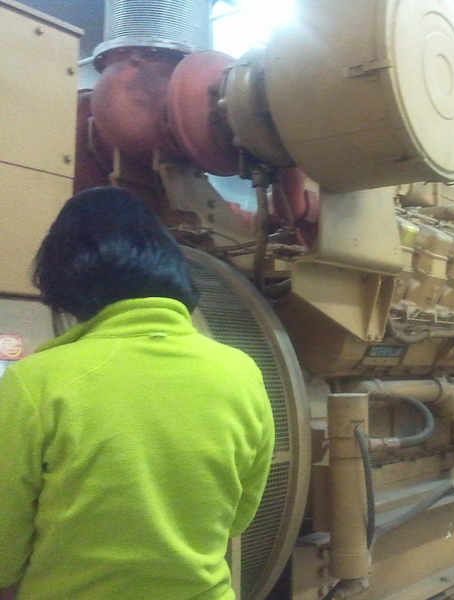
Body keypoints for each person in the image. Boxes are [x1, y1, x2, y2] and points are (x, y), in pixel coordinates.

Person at [0, 187, 275, 600]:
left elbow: (4, 554)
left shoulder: (36, 381)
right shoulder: (242, 372)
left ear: (67, 281)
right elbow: (237, 520)